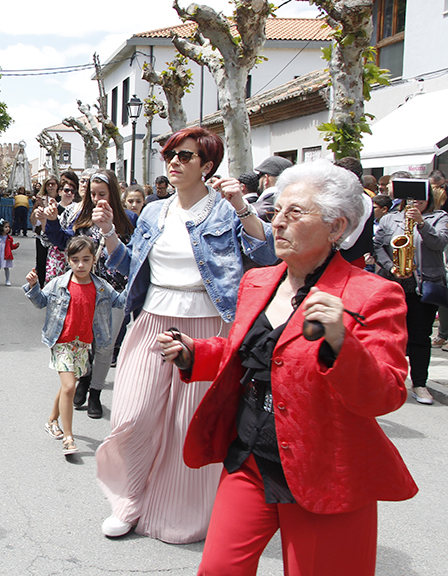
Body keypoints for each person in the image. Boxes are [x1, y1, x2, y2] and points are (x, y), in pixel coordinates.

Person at [162, 160, 416, 575]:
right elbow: (251, 353)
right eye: (277, 211)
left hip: (325, 469)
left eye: (295, 213)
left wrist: (341, 341)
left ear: (337, 227)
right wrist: (196, 353)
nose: (278, 222)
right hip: (250, 458)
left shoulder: (373, 294)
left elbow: (385, 394)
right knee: (218, 569)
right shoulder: (258, 281)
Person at [94, 126, 277, 543]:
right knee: (132, 415)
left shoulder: (227, 211)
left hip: (205, 326)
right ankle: (128, 500)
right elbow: (129, 266)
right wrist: (108, 234)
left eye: (186, 156)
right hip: (151, 321)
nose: (173, 162)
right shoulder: (155, 211)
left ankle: (177, 511)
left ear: (207, 166)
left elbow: (266, 259)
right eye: (170, 154)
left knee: (185, 424)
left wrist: (244, 208)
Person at [43, 170, 135, 420]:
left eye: (102, 194)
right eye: (93, 194)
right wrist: (51, 221)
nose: (96, 200)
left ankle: (95, 393)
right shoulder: (82, 218)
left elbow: (136, 256)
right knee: (82, 341)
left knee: (105, 345)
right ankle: (84, 380)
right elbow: (62, 242)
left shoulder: (127, 219)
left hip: (114, 292)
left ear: (113, 193)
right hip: (86, 290)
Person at [24, 236, 125, 456]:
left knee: (66, 386)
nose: (80, 264)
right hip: (61, 342)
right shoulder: (59, 283)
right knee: (70, 387)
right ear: (68, 260)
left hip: (83, 345)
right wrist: (33, 286)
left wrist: (139, 280)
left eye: (86, 259)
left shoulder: (102, 288)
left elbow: (121, 301)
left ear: (93, 260)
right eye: (75, 259)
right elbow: (41, 301)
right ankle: (68, 438)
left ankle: (52, 420)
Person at [373, 175, 448, 405]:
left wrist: (422, 224)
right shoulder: (390, 219)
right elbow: (377, 245)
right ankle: (386, 379)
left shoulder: (439, 217)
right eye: (412, 199)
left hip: (423, 284)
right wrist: (390, 267)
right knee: (388, 335)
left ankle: (419, 383)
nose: (416, 203)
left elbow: (439, 243)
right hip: (395, 282)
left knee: (419, 336)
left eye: (421, 199)